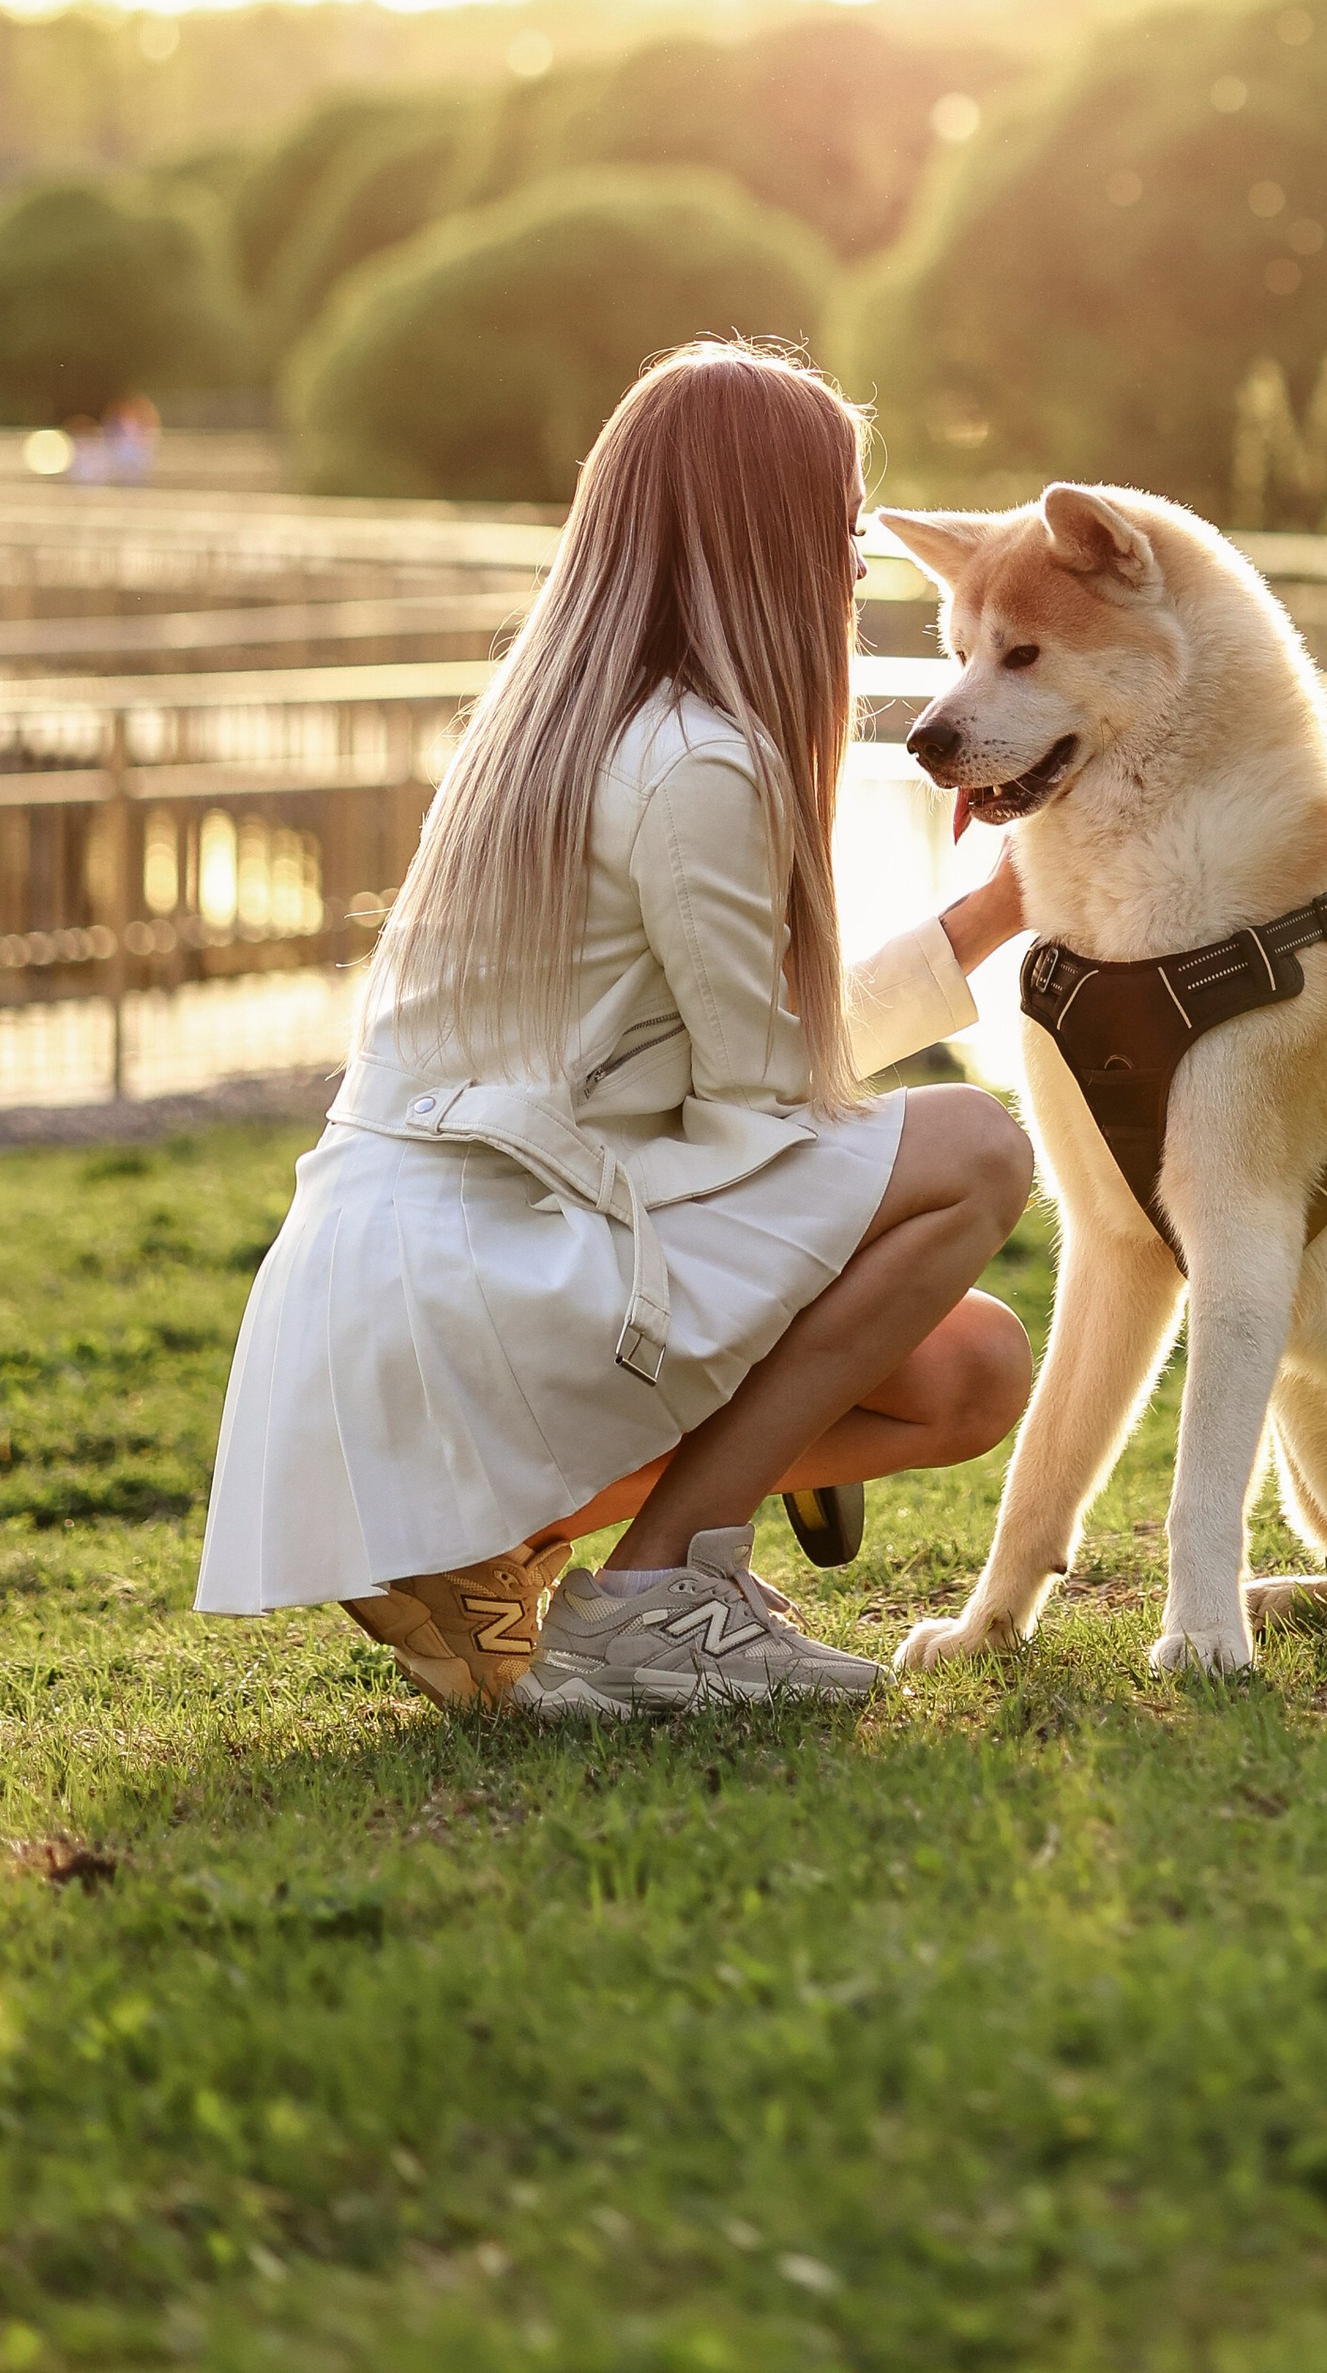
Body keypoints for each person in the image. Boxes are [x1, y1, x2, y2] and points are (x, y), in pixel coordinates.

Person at [196, 341, 1034, 1716]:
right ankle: (662, 1588)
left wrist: (995, 909)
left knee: (970, 1366)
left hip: (427, 1284)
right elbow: (764, 1107)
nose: (852, 572)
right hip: (487, 1274)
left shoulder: (569, 727)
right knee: (980, 1149)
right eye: (836, 535)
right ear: (761, 541)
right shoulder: (702, 756)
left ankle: (496, 1549)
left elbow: (745, 1058)